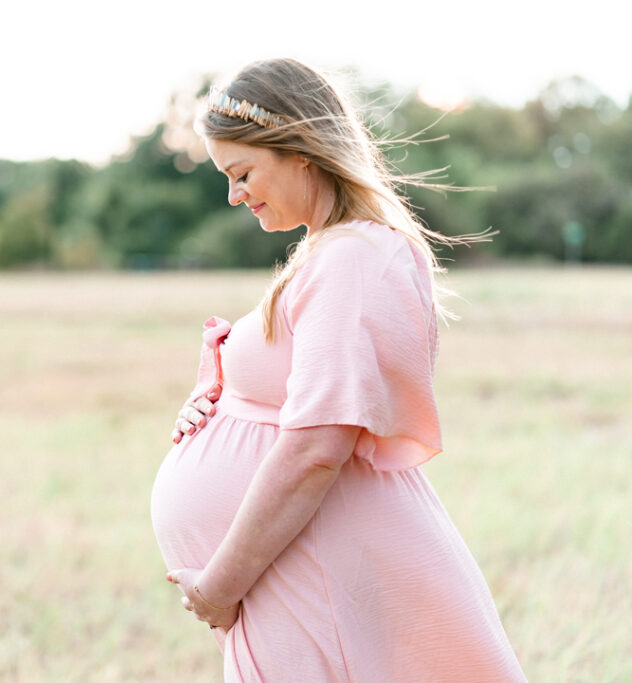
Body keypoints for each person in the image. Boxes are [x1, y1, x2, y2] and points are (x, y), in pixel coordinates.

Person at [149, 58, 526, 682]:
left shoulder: (356, 254)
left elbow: (317, 448)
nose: (233, 195)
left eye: (241, 173)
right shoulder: (331, 252)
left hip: (317, 564)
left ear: (299, 149)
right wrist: (215, 392)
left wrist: (220, 585)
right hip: (302, 566)